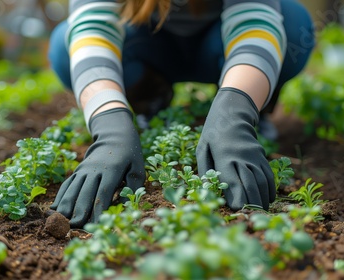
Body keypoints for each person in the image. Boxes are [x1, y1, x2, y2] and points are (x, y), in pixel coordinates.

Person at [48, 0, 314, 228]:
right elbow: (93, 28)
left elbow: (255, 20)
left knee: (293, 25)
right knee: (65, 46)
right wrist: (109, 124)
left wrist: (236, 111)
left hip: (217, 42)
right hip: (148, 44)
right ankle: (148, 97)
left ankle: (247, 96)